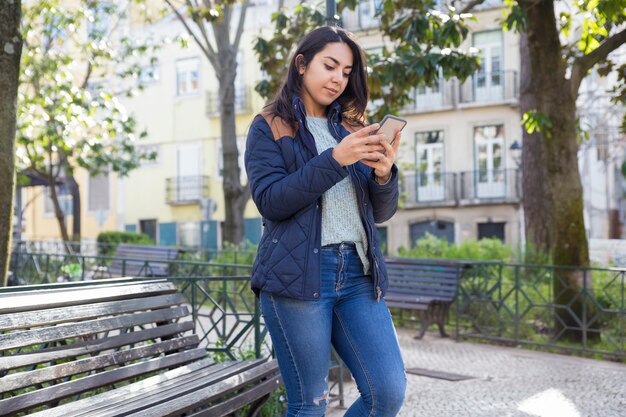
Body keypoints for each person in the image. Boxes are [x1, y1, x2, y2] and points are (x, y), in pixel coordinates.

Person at [245, 26, 406, 417]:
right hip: (297, 278)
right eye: (330, 65)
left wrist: (385, 175)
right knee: (309, 405)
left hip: (357, 275)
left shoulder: (352, 128)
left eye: (347, 71)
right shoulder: (269, 126)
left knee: (386, 393)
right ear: (302, 64)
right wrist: (335, 160)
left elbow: (380, 214)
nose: (338, 78)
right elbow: (271, 201)